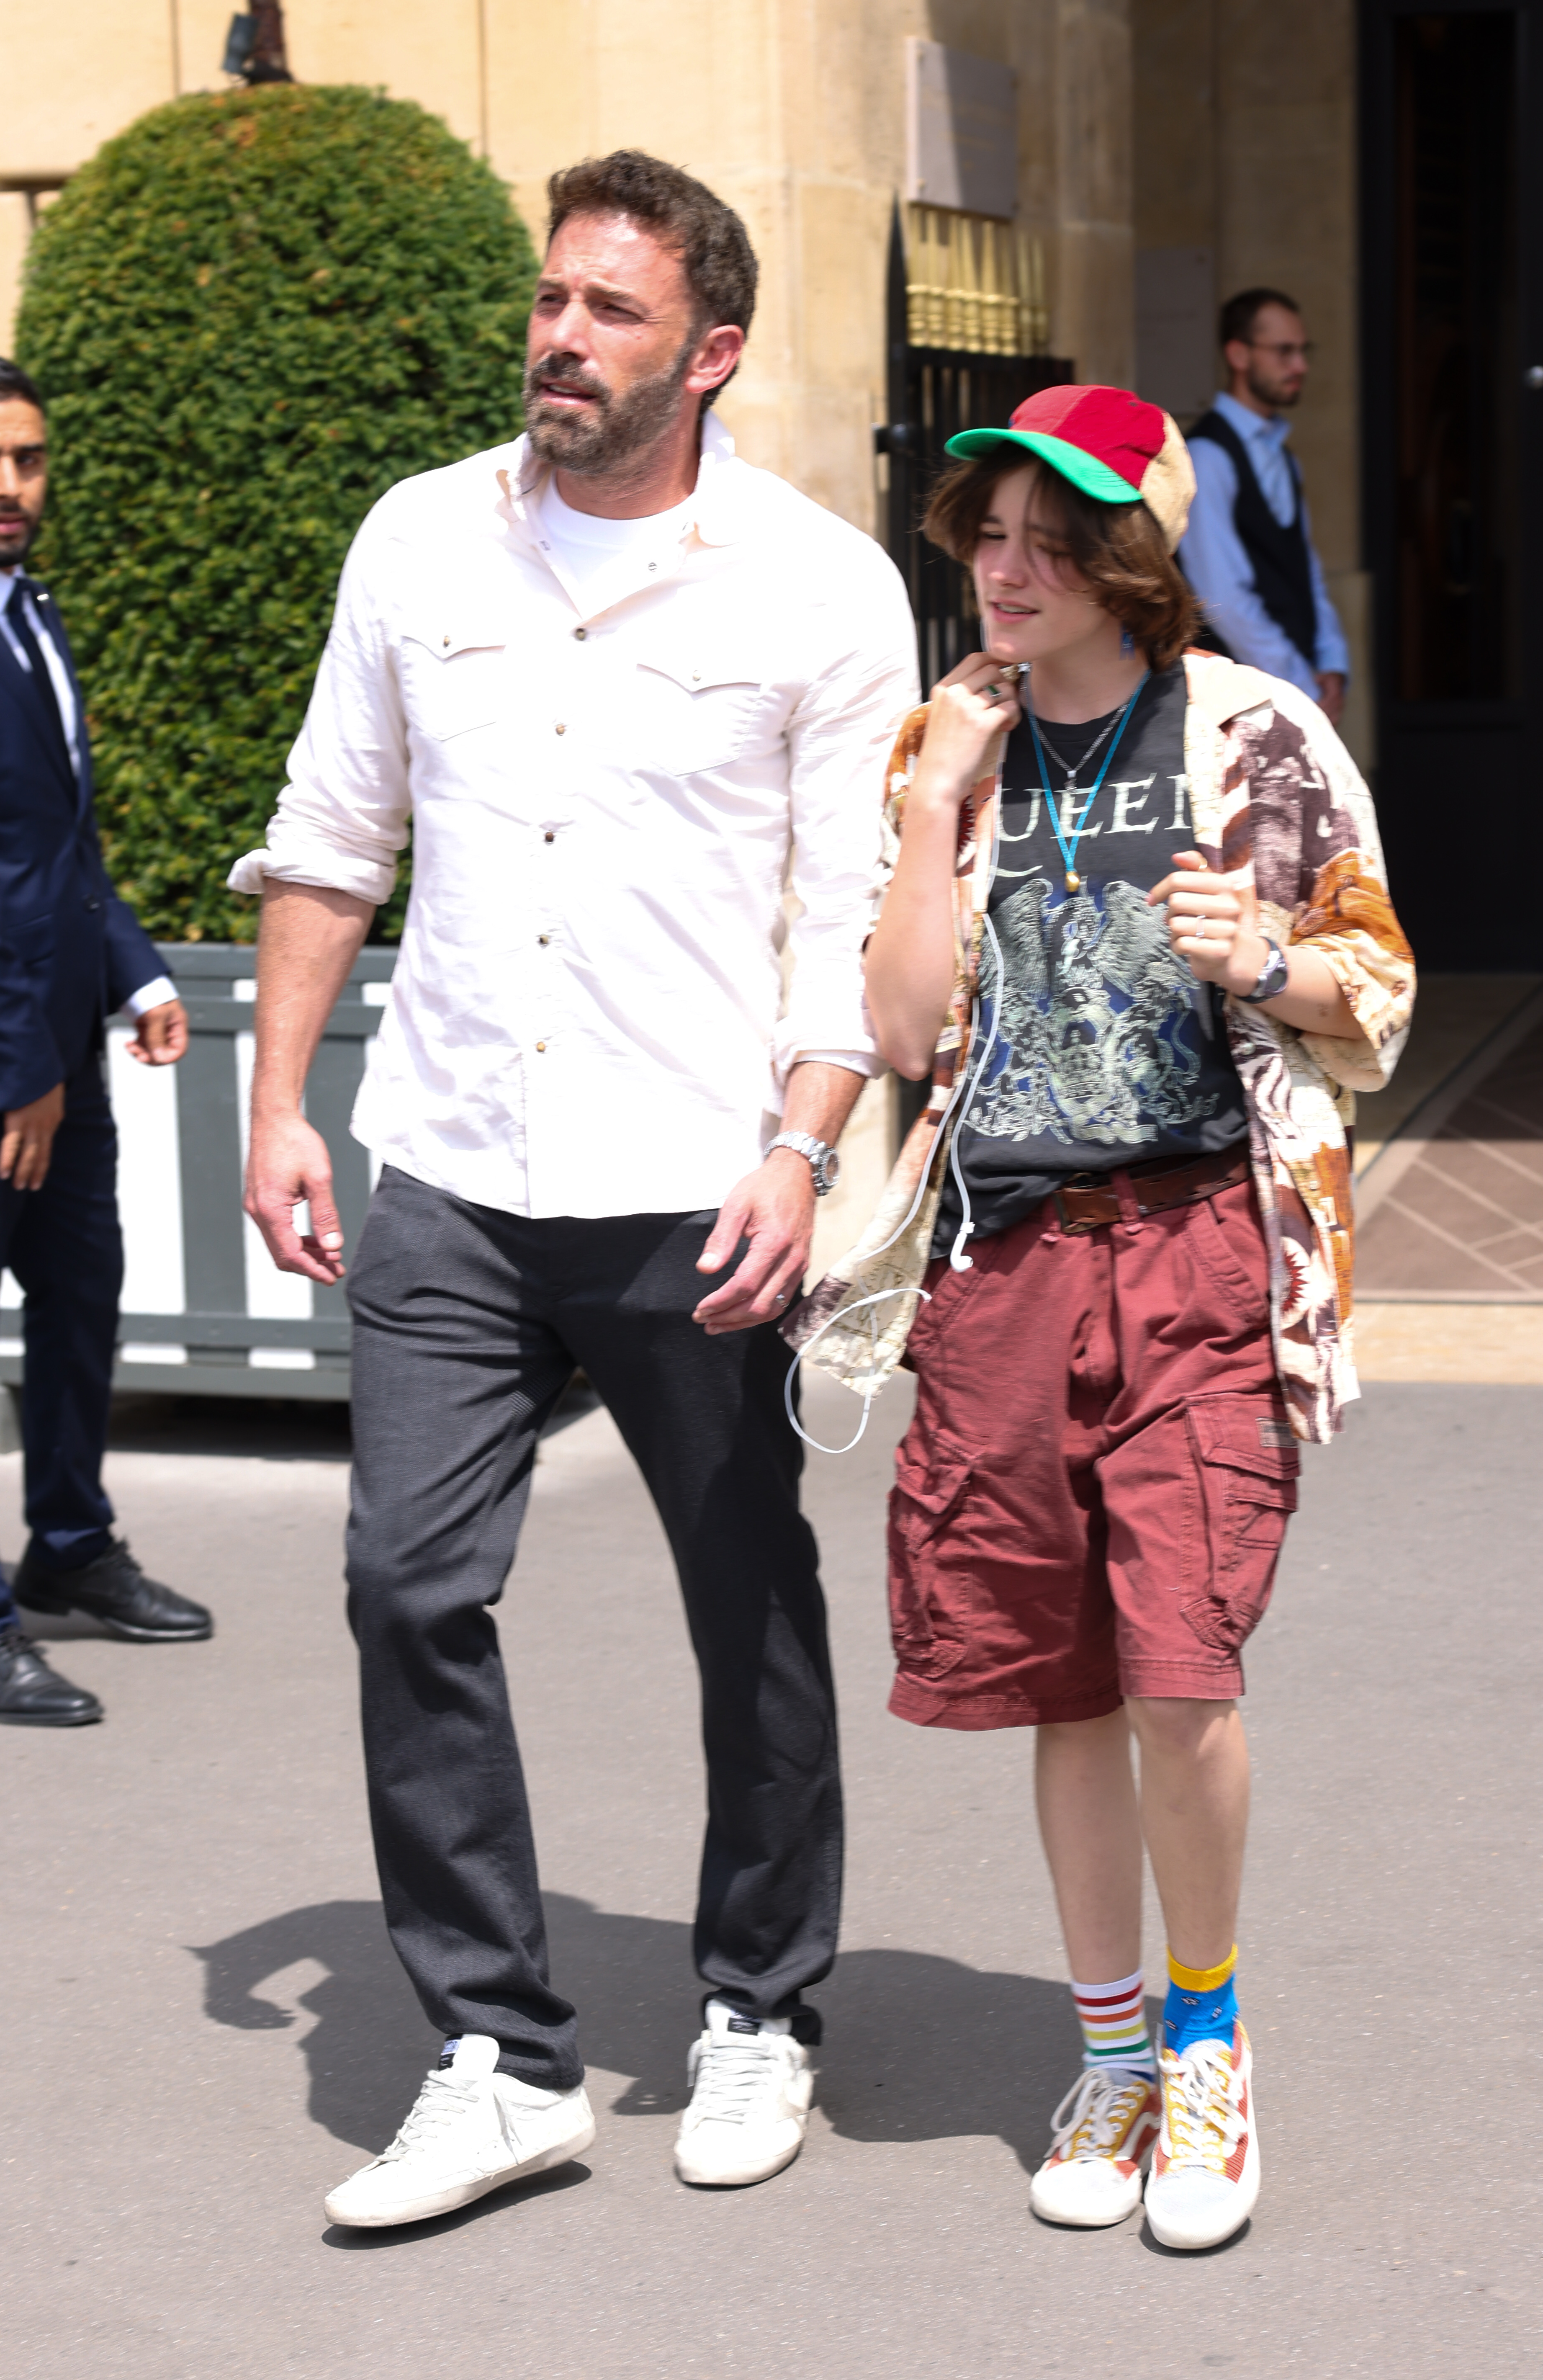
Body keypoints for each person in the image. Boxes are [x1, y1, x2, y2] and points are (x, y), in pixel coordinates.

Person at [229, 150, 918, 2228]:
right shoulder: (420, 540)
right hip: (448, 1157)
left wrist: (799, 1149)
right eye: (550, 299)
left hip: (691, 1178)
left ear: (709, 351)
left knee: (742, 1599)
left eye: (609, 311)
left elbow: (850, 912)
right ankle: (495, 2045)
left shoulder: (816, 587)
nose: (556, 334)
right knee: (404, 1584)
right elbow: (333, 830)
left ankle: (757, 2000)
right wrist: (275, 1098)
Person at [793, 382, 1413, 2250]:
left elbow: (1375, 992)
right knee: (1058, 1676)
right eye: (984, 532)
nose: (1003, 564)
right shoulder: (948, 743)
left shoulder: (1253, 734)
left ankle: (1209, 2042)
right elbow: (899, 1036)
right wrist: (922, 820)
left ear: (1124, 555)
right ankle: (1112, 2049)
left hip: (1200, 1249)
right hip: (998, 1262)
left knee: (1180, 1665)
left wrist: (1271, 958)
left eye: (1045, 536)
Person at [0, 354, 214, 1730]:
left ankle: (69, 1547)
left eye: (27, 459)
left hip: (60, 1055)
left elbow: (53, 845)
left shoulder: (28, 613)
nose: (9, 485)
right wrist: (22, 1076)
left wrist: (134, 970)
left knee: (79, 1316)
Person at [1178, 288, 1350, 728]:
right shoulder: (1206, 456)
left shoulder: (1283, 456)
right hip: (1235, 706)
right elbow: (1223, 599)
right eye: (1284, 352)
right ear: (1238, 354)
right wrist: (1301, 687)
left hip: (1289, 693)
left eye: (1302, 351)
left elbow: (1304, 568)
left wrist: (1331, 662)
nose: (1300, 366)